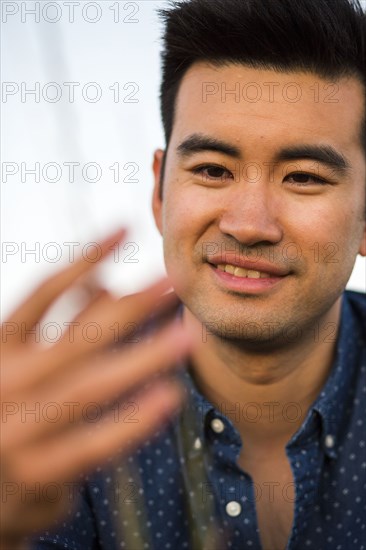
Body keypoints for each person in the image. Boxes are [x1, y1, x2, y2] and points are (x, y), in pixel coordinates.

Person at [1, 0, 365, 548]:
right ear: (159, 191)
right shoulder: (47, 423)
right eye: (213, 170)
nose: (248, 225)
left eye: (303, 178)